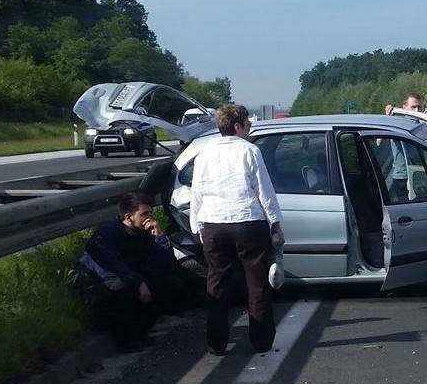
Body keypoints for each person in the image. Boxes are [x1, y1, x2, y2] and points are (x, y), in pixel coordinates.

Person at [189, 103, 285, 356]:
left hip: (213, 223)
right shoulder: (250, 151)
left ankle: (216, 343)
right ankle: (261, 340)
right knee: (257, 283)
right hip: (247, 222)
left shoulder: (204, 154)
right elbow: (264, 190)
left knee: (217, 283)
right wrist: (275, 224)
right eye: (248, 124)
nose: (250, 128)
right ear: (238, 126)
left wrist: (197, 226)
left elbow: (196, 193)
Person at [75, 192, 189, 351]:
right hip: (98, 281)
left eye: (150, 213)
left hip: (131, 277)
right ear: (128, 217)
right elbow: (111, 265)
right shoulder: (107, 233)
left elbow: (166, 265)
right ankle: (125, 339)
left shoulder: (145, 233)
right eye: (144, 214)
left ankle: (141, 330)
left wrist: (160, 238)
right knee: (121, 290)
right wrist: (139, 283)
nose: (149, 218)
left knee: (170, 284)